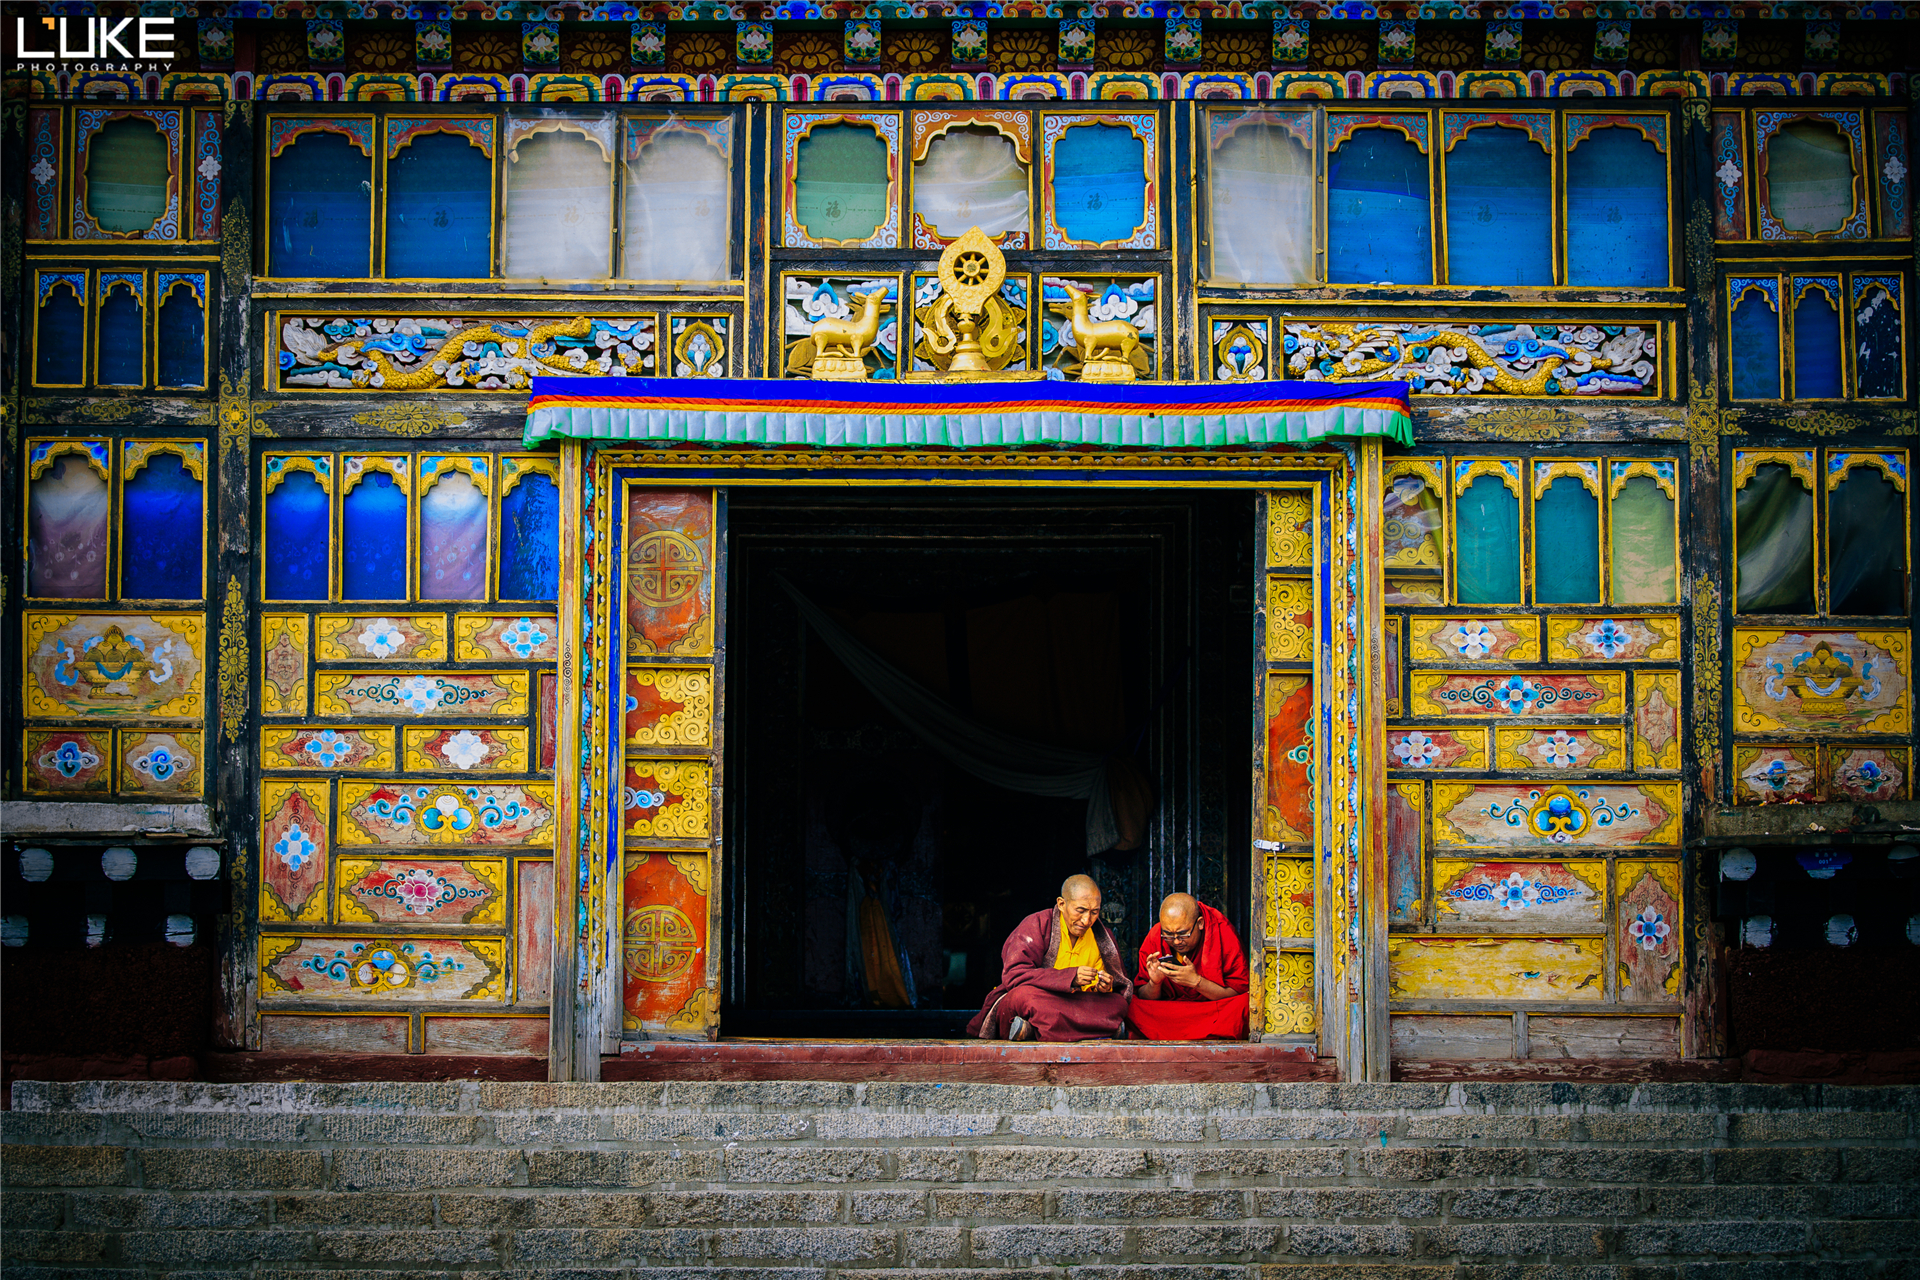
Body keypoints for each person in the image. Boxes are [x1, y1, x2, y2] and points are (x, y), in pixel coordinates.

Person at [966, 874, 1132, 1042]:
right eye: (1080, 911)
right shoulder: (1037, 924)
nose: (1086, 920)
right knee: (1024, 996)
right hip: (1045, 999)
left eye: (1094, 912)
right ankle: (1100, 1029)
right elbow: (1015, 975)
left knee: (1117, 1003)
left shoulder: (1102, 937)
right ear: (1061, 904)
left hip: (1080, 1002)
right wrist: (1070, 978)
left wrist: (1105, 987)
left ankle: (1032, 1030)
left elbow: (1118, 984)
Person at [1129, 892, 1250, 1040]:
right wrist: (1155, 983)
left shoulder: (1221, 930)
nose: (1176, 941)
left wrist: (1197, 982)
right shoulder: (1156, 935)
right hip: (1171, 1011)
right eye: (1168, 935)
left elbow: (1239, 991)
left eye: (1183, 934)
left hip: (1211, 1010)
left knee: (1244, 1004)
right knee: (1132, 1005)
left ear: (1200, 923)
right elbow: (1142, 995)